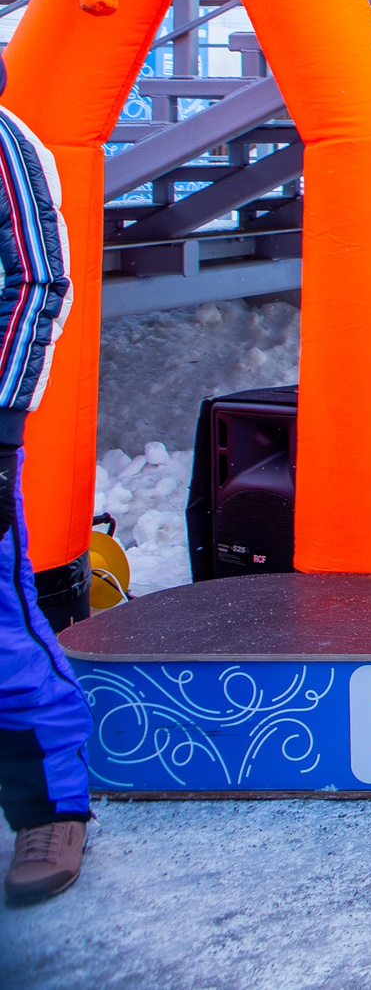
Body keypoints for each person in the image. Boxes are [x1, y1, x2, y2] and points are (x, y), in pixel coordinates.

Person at [0, 58, 81, 907]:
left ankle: (50, 808)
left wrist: (0, 429)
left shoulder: (2, 141)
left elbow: (34, 281)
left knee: (1, 633)